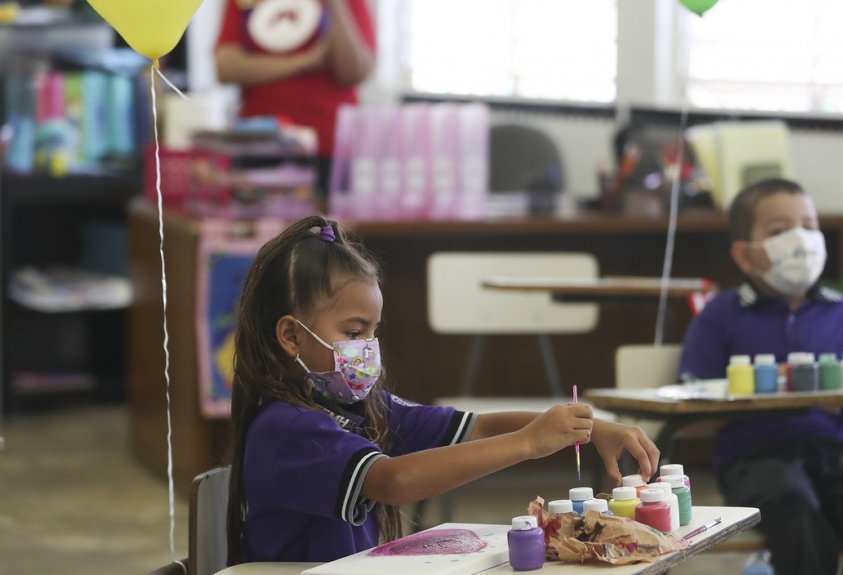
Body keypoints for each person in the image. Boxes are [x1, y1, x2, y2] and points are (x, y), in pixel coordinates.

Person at [225, 215, 659, 565]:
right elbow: (392, 481)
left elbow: (480, 429)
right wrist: (528, 442)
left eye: (373, 332)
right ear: (291, 335)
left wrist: (584, 428)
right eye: (354, 331)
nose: (369, 349)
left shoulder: (358, 406)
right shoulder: (286, 429)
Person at [678, 178, 843, 575]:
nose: (800, 239)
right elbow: (691, 412)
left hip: (837, 448)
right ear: (744, 255)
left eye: (808, 225)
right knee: (801, 524)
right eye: (779, 230)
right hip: (756, 456)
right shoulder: (721, 314)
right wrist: (755, 393)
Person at [214, 0, 375, 186]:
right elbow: (226, 67)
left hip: (329, 147)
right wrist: (307, 61)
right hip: (259, 145)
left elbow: (353, 71)